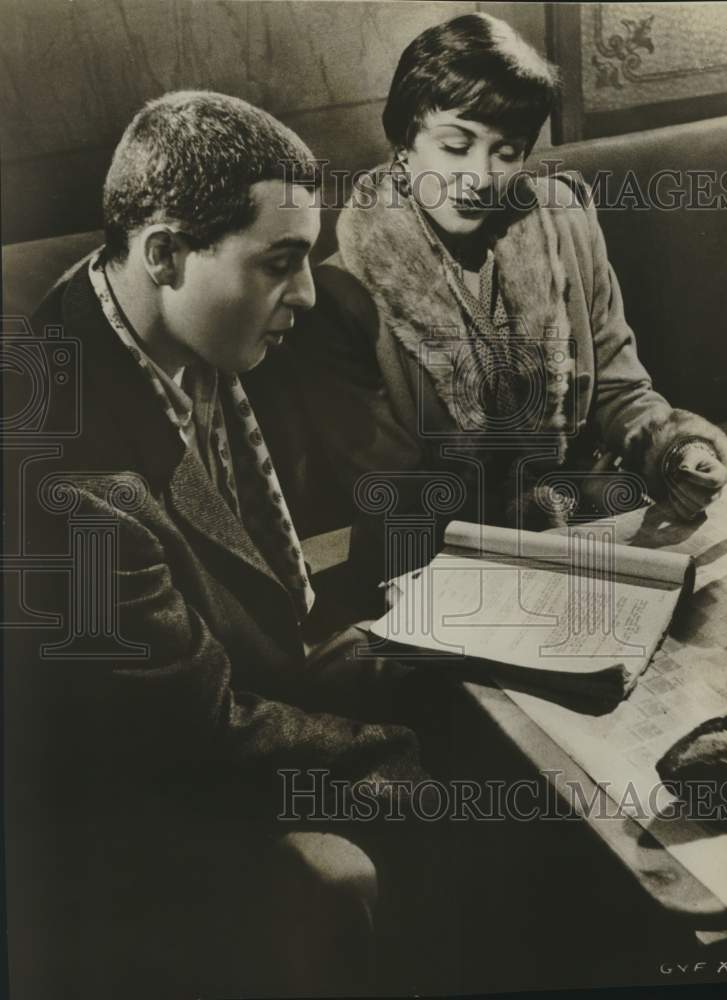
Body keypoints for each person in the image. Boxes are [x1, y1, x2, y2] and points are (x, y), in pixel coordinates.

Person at [7, 90, 448, 999]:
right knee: (482, 798)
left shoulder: (156, 318)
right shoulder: (70, 484)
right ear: (165, 253)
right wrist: (397, 752)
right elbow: (192, 738)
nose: (308, 292)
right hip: (119, 820)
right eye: (280, 262)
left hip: (214, 697)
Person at [288, 12, 727, 589]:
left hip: (581, 542)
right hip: (432, 574)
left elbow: (620, 390)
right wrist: (551, 525)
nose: (480, 176)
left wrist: (678, 452)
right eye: (456, 145)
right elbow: (399, 497)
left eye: (506, 151)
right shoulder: (337, 297)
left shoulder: (565, 225)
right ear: (403, 142)